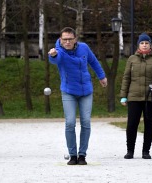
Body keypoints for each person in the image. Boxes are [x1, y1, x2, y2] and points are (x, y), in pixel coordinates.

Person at [48, 27, 107, 165]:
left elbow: (93, 62)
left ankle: (82, 155)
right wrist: (53, 54)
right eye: (64, 39)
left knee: (86, 122)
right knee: (70, 122)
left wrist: (102, 76)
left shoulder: (84, 48)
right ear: (61, 40)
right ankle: (72, 155)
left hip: (86, 90)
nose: (67, 42)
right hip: (69, 91)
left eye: (70, 39)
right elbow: (55, 59)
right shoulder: (59, 51)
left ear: (75, 39)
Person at [120, 33, 152, 159]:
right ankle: (130, 151)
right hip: (134, 97)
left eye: (146, 43)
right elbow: (126, 78)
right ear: (138, 45)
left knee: (149, 124)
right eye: (142, 43)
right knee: (131, 125)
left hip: (151, 98)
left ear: (150, 45)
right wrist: (123, 96)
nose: (144, 45)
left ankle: (146, 151)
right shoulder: (132, 59)